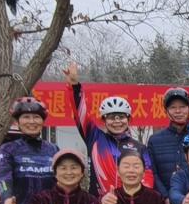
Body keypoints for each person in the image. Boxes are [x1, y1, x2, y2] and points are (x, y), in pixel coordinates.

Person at [63, 62, 154, 195]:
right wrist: (74, 86)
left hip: (129, 203)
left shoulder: (139, 147)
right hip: (99, 203)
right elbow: (79, 111)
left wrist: (138, 198)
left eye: (121, 117)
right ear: (104, 121)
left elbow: (148, 176)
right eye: (111, 117)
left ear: (129, 120)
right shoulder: (94, 137)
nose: (117, 121)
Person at [148, 88, 189, 204]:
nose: (178, 111)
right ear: (166, 111)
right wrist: (166, 197)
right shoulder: (155, 140)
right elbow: (153, 172)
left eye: (182, 107)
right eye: (173, 107)